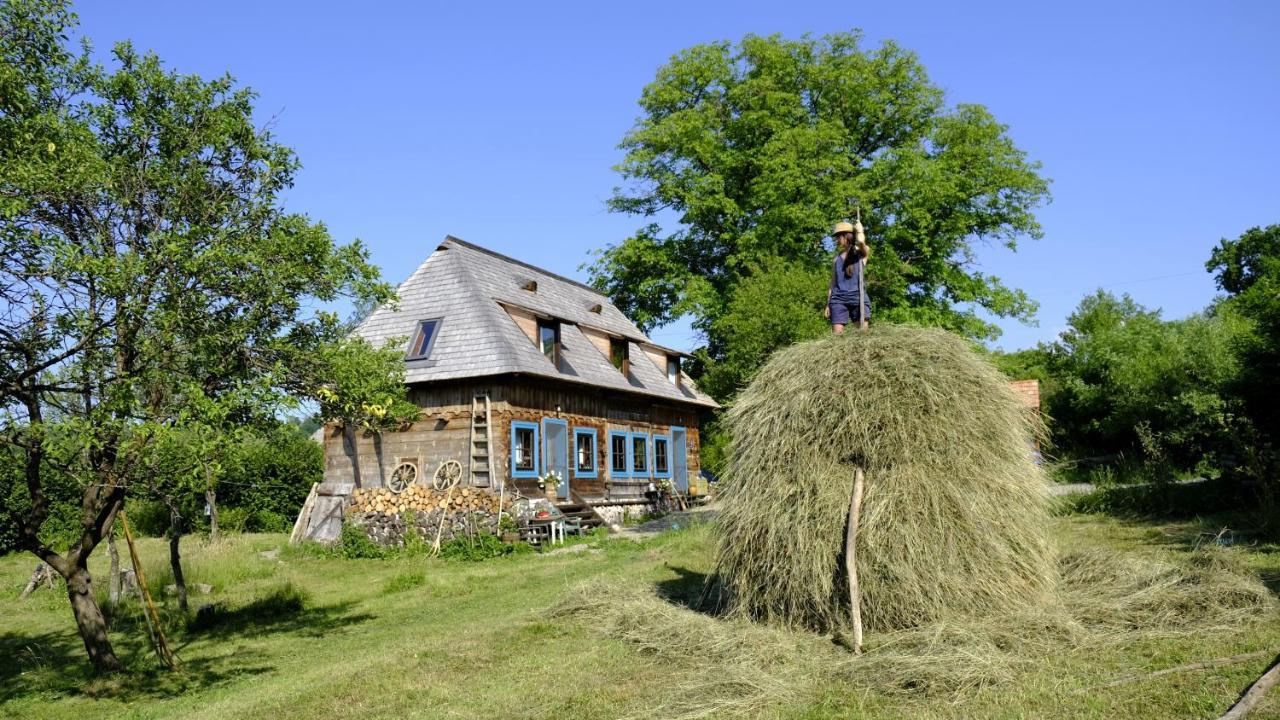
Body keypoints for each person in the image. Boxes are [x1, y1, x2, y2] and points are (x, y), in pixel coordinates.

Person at [825, 220, 871, 333]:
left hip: (858, 297)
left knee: (862, 336)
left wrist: (860, 230)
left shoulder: (861, 253)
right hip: (838, 300)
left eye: (838, 236)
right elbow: (833, 284)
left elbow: (861, 241)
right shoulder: (836, 260)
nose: (836, 240)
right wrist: (827, 305)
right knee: (836, 338)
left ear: (846, 236)